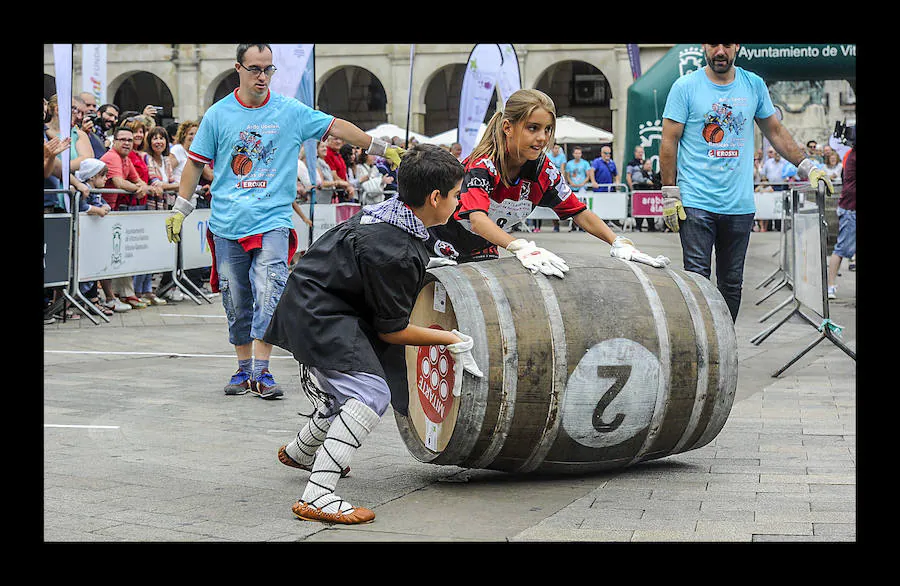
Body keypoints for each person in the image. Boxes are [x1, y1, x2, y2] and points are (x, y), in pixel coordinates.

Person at [163, 43, 403, 400]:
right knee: (236, 298)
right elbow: (195, 163)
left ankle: (262, 371)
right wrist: (181, 208)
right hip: (227, 221)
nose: (263, 76)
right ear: (238, 69)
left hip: (273, 219)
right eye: (256, 69)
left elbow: (338, 128)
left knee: (269, 288)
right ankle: (243, 369)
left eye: (268, 69)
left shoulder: (289, 111)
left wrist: (381, 148)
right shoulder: (218, 114)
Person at [264, 143, 481, 525]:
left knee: (343, 389)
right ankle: (318, 494)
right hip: (320, 315)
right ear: (434, 197)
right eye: (456, 194)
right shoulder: (395, 249)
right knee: (369, 391)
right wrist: (450, 339)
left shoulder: (391, 216)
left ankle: (301, 451)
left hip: (314, 305)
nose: (459, 200)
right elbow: (393, 330)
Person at [659, 43, 833, 322]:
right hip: (695, 203)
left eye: (727, 44)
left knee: (730, 284)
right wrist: (669, 193)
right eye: (714, 44)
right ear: (704, 45)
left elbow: (774, 131)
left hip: (739, 205)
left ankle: (724, 345)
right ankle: (702, 344)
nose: (720, 51)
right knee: (697, 279)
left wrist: (806, 165)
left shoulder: (753, 84)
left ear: (736, 47)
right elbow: (669, 140)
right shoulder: (685, 86)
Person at [425, 88, 669, 274]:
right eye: (533, 128)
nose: (542, 138)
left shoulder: (544, 171)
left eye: (548, 129)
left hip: (482, 249)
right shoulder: (483, 165)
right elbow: (477, 220)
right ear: (508, 127)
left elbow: (579, 211)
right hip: (435, 244)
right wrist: (521, 246)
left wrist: (618, 242)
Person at [826, 142, 855, 299]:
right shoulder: (853, 155)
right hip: (851, 208)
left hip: (850, 207)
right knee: (841, 248)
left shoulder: (850, 154)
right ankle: (830, 286)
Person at [564, 146, 592, 231]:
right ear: (573, 154)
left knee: (582, 207)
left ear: (581, 154)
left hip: (582, 188)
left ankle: (582, 226)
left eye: (579, 153)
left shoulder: (585, 163)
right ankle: (573, 224)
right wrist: (571, 183)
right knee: (572, 207)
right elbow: (567, 176)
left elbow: (588, 176)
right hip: (572, 188)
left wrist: (582, 183)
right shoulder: (569, 164)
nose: (577, 155)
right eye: (576, 153)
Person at [546, 142, 567, 232]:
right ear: (552, 149)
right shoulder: (548, 155)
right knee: (552, 204)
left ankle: (560, 222)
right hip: (548, 182)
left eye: (558, 148)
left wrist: (562, 181)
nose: (557, 150)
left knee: (560, 203)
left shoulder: (562, 156)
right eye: (555, 148)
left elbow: (562, 169)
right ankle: (555, 225)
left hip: (558, 181)